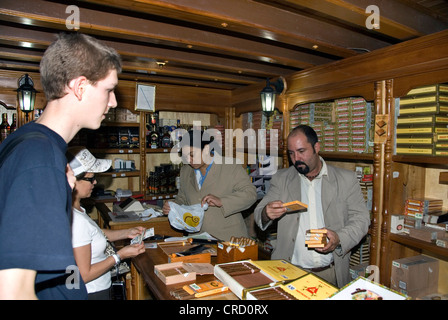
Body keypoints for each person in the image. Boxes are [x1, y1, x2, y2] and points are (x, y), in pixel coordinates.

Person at [0, 32, 121, 299]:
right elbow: (13, 291)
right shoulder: (40, 159)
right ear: (79, 86)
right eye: (108, 90)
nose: (113, 102)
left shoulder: (30, 142)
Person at [254, 125, 370, 287]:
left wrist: (339, 238)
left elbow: (362, 219)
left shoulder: (346, 180)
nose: (296, 159)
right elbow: (260, 212)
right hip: (288, 272)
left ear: (317, 147)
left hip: (330, 273)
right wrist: (267, 213)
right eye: (291, 153)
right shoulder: (282, 179)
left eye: (302, 151)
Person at [67, 147, 145, 300]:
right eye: (90, 179)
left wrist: (126, 232)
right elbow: (84, 275)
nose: (95, 182)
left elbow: (93, 234)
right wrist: (120, 255)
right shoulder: (77, 222)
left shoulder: (75, 209)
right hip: (92, 292)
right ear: (73, 180)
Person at [163, 129, 257, 241]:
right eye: (185, 156)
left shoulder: (230, 166)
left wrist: (222, 201)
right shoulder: (185, 171)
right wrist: (173, 206)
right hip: (197, 239)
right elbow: (183, 198)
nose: (189, 160)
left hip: (228, 239)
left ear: (206, 149)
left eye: (192, 155)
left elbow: (250, 194)